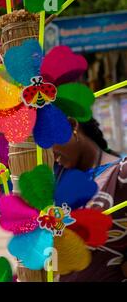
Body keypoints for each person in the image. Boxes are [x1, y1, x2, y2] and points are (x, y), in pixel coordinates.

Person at [52, 118, 127, 282]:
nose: (47, 152)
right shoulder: (55, 177)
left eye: (47, 140)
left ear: (72, 126)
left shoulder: (121, 175)